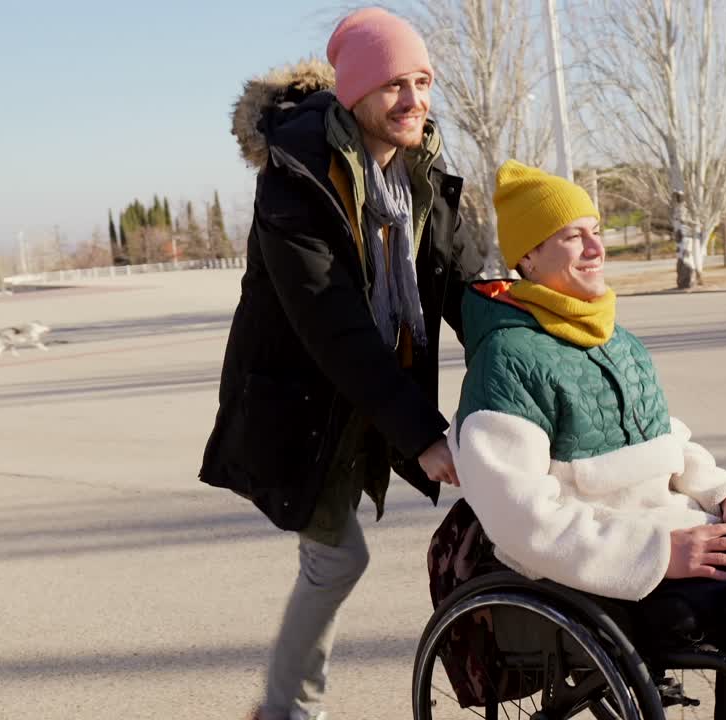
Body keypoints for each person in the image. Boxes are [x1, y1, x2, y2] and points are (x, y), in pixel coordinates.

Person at [445, 160, 726, 720]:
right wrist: (660, 553)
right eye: (572, 237)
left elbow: (666, 441)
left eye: (596, 231)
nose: (595, 247)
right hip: (606, 573)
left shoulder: (613, 339)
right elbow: (522, 519)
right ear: (528, 257)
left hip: (667, 528)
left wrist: (725, 493)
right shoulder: (506, 361)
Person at [198, 8, 471, 720]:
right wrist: (422, 432)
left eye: (423, 82)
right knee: (336, 557)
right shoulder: (295, 183)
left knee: (335, 558)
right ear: (353, 94)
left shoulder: (420, 172)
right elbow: (334, 327)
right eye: (394, 85)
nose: (413, 100)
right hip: (304, 403)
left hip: (366, 391)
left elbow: (467, 284)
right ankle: (288, 710)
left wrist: (537, 348)